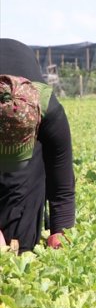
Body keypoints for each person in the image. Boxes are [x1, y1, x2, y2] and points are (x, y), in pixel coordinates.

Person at [0, 38, 76, 254]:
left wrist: (60, 234)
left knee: (22, 235)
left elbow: (62, 187)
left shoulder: (48, 111)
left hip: (31, 118)